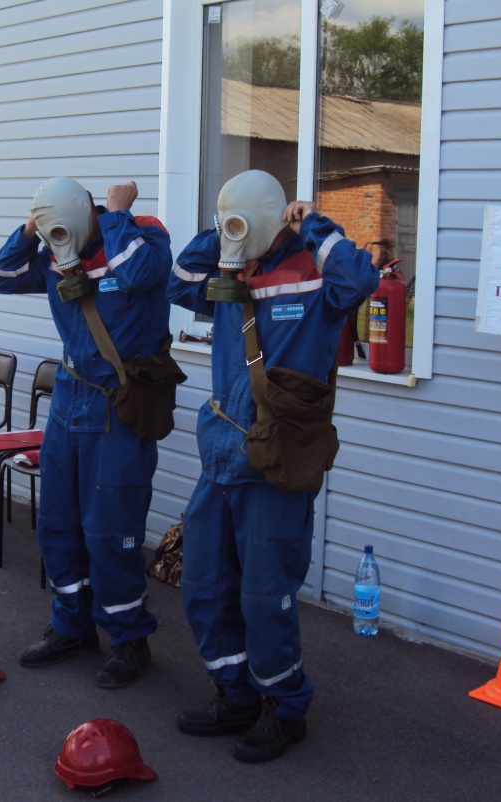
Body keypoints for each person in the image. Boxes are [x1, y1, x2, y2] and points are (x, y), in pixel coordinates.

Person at [167, 170, 380, 762]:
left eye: (244, 219)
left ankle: (285, 708)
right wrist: (225, 235)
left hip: (277, 461)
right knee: (205, 585)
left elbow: (359, 277)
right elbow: (177, 283)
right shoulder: (231, 273)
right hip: (222, 457)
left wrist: (313, 224)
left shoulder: (313, 273)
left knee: (264, 597)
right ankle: (234, 694)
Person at [0, 177, 173, 689]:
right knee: (59, 521)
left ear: (89, 217)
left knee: (110, 529)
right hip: (70, 396)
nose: (59, 248)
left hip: (119, 401)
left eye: (62, 233)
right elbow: (2, 277)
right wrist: (30, 231)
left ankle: (129, 639)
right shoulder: (53, 250)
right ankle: (72, 625)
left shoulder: (140, 234)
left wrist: (117, 214)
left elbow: (141, 272)